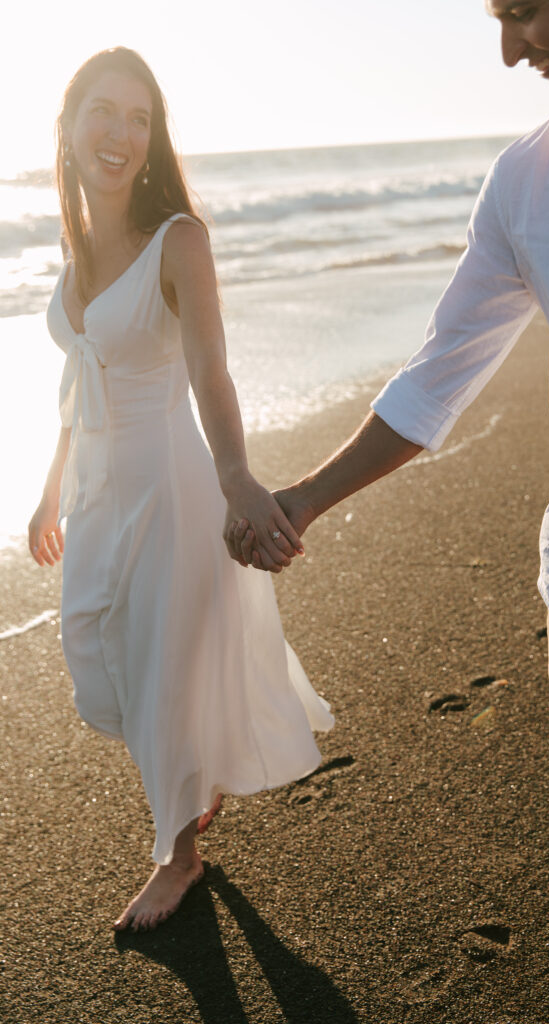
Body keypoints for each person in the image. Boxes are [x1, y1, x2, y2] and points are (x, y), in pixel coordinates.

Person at [227, 2, 549, 1021]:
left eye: (522, 9)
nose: (507, 48)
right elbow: (437, 374)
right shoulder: (527, 178)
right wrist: (301, 500)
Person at [28, 47, 333, 933]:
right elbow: (79, 383)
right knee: (95, 654)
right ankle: (191, 778)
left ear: (153, 137)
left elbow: (211, 371)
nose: (122, 133)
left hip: (169, 489)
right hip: (94, 495)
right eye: (105, 111)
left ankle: (179, 859)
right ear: (68, 122)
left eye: (140, 117)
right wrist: (49, 491)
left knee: (158, 673)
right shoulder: (71, 245)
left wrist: (237, 478)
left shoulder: (178, 240)